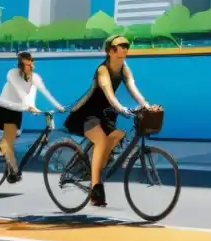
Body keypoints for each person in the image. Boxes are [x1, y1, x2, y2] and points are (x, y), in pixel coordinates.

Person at [63, 35, 159, 207]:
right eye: (119, 46)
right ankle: (95, 187)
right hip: (89, 112)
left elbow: (133, 88)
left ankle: (97, 166)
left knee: (118, 135)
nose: (124, 49)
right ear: (110, 51)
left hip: (106, 113)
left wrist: (146, 105)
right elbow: (109, 94)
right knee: (100, 140)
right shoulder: (103, 70)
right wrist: (122, 109)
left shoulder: (124, 68)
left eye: (126, 46)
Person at [0, 52, 64, 183]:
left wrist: (60, 107)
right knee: (8, 141)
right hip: (4, 109)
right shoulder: (12, 74)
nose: (31, 66)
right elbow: (20, 92)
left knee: (12, 139)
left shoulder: (34, 77)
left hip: (17, 110)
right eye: (28, 64)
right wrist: (30, 107)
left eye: (32, 63)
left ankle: (9, 161)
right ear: (21, 66)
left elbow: (45, 92)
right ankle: (13, 172)